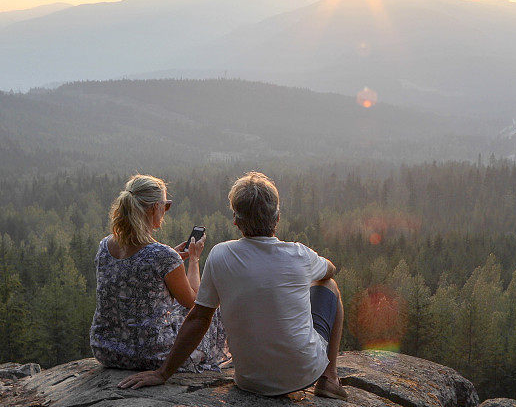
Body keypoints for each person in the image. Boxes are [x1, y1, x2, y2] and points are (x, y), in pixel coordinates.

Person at [118, 171, 348, 400]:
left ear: (236, 221)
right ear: (277, 218)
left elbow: (199, 318)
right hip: (304, 374)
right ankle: (329, 377)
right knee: (330, 286)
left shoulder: (221, 255)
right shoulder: (300, 254)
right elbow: (330, 269)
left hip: (250, 380)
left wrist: (163, 373)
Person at [90, 174, 230, 372]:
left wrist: (171, 262)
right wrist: (194, 259)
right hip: (150, 355)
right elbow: (193, 303)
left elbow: (133, 276)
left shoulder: (105, 246)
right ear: (155, 207)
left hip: (106, 351)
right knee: (210, 308)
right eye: (166, 205)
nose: (165, 211)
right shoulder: (162, 256)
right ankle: (209, 357)